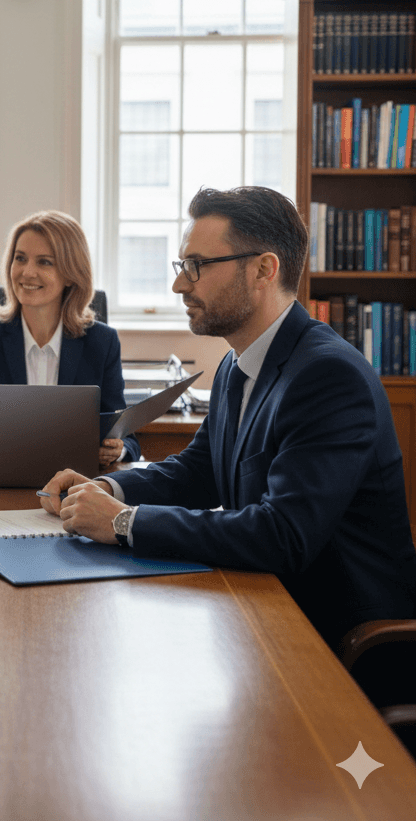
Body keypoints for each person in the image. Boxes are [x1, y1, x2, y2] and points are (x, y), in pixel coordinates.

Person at [40, 186, 416, 647]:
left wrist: (124, 521)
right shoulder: (234, 365)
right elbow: (201, 470)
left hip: (339, 640)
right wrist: (105, 487)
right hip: (262, 610)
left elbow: (283, 535)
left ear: (263, 269)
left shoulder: (328, 376)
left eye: (196, 266)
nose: (180, 285)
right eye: (182, 267)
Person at [0, 210, 140, 468]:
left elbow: (125, 436)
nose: (27, 272)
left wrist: (116, 450)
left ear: (71, 274)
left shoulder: (102, 342)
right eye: (20, 259)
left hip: (73, 488)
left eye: (44, 262)